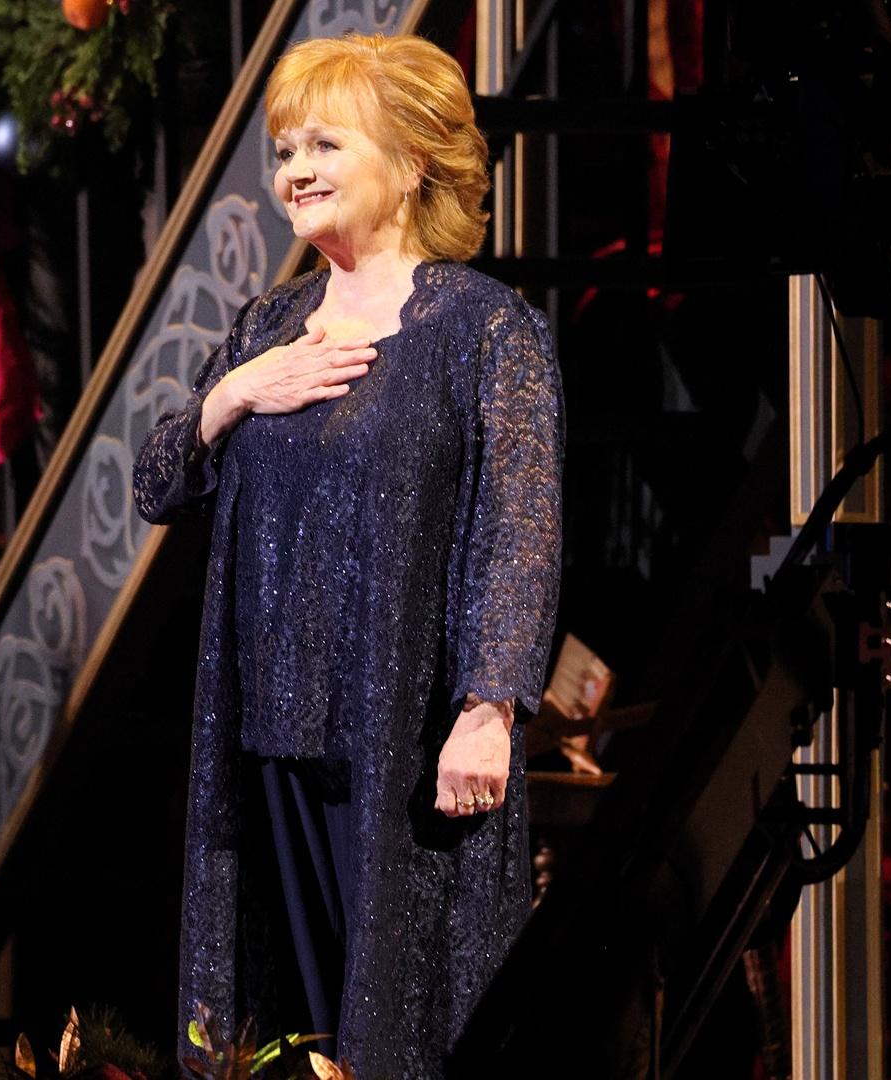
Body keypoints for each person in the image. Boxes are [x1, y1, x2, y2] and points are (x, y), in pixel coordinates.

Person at [132, 31, 563, 1080]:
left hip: (405, 744)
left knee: (401, 1030)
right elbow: (156, 484)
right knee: (282, 1027)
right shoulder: (269, 325)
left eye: (324, 142)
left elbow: (521, 523)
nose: (296, 172)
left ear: (412, 160)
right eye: (285, 151)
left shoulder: (484, 330)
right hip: (266, 736)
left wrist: (490, 704)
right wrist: (236, 395)